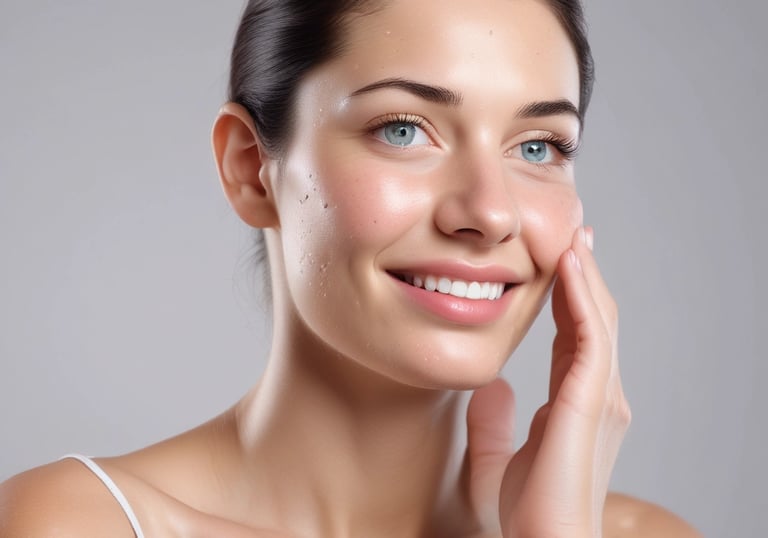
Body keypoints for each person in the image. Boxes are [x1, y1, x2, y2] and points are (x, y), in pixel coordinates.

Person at [0, 0, 702, 536]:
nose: (490, 213)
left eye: (540, 147)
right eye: (403, 130)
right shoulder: (78, 522)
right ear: (252, 169)